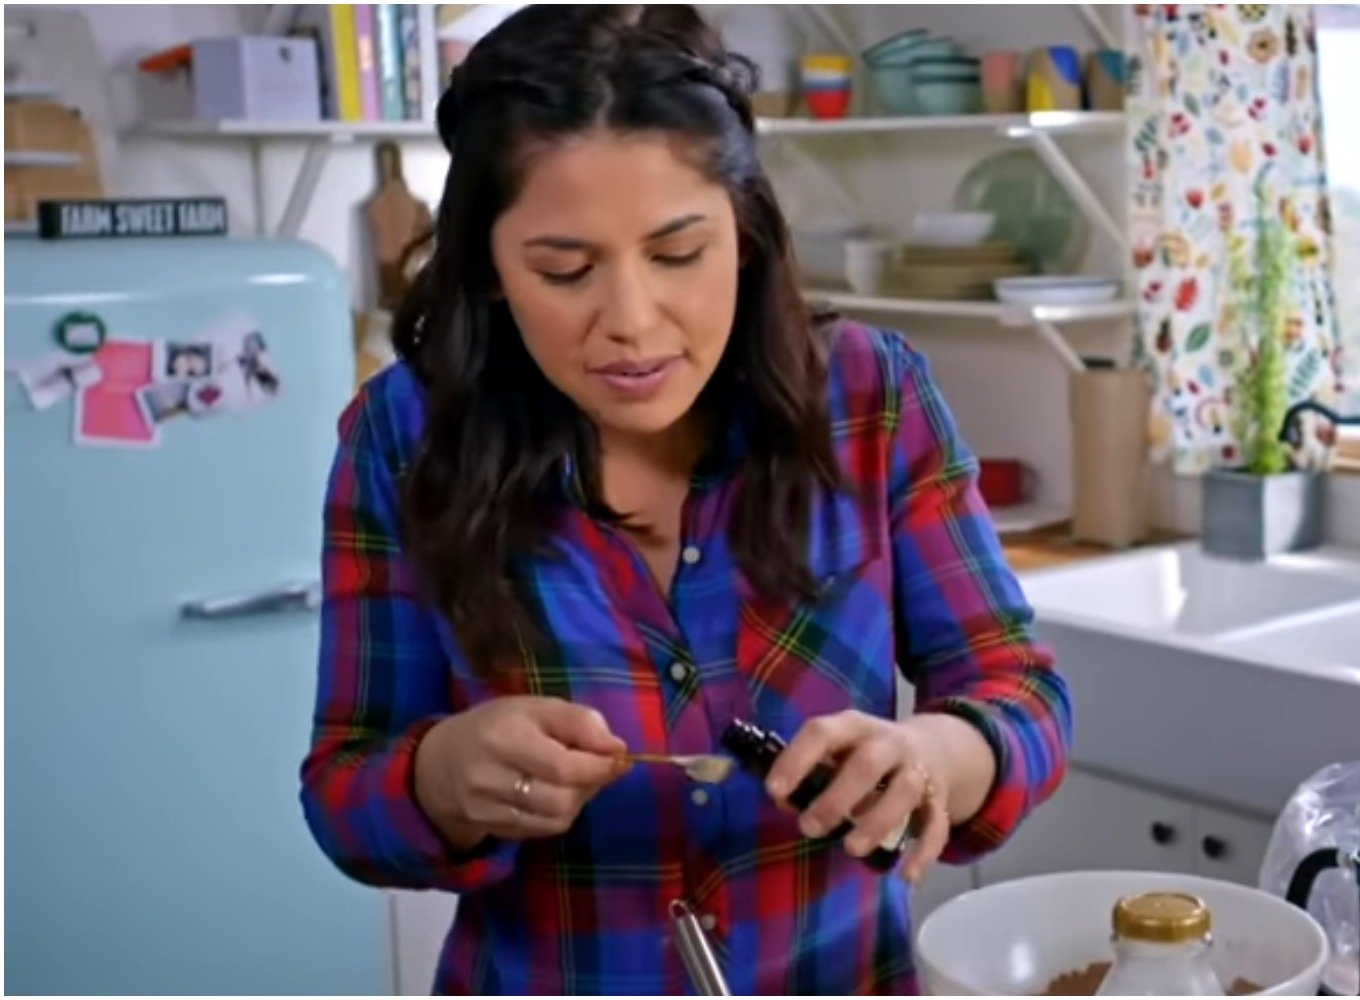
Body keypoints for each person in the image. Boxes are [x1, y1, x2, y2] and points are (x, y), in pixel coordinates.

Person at [298, 6, 1072, 994]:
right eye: (563, 269)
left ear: (744, 237)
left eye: (676, 255)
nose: (631, 322)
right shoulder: (403, 437)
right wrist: (441, 777)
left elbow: (1024, 694)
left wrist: (938, 752)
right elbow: (341, 794)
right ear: (489, 268)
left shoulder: (871, 400)